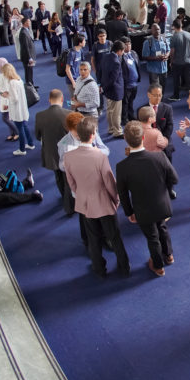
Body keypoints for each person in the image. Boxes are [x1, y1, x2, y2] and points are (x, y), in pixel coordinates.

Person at [64, 117, 129, 276]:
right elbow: (109, 182)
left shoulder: (68, 156)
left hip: (84, 203)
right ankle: (124, 268)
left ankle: (99, 268)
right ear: (93, 135)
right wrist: (116, 200)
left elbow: (71, 184)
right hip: (103, 203)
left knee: (93, 239)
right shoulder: (99, 156)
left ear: (78, 135)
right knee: (114, 237)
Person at [116, 121, 179, 277]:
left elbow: (122, 193)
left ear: (125, 138)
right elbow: (174, 179)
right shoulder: (159, 156)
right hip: (163, 206)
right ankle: (169, 255)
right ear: (143, 137)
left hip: (143, 210)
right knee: (162, 228)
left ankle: (158, 266)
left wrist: (129, 212)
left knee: (152, 237)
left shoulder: (122, 166)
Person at [34, 89, 75, 215]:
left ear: (49, 100)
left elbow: (37, 136)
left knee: (58, 177)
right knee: (69, 179)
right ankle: (70, 207)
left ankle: (64, 197)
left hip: (51, 152)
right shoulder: (69, 114)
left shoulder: (39, 115)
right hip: (68, 152)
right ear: (62, 99)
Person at [1, 63, 35, 156]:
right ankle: (31, 144)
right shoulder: (19, 79)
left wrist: (6, 95)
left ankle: (22, 149)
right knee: (24, 126)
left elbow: (14, 98)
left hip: (17, 109)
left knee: (20, 129)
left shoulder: (12, 82)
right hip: (22, 107)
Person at [100, 41, 126, 138]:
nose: (123, 53)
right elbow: (113, 80)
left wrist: (102, 87)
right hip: (115, 90)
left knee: (109, 110)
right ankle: (118, 132)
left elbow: (100, 71)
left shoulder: (105, 57)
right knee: (116, 113)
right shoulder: (116, 62)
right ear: (119, 51)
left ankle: (110, 129)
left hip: (107, 90)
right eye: (123, 51)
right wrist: (104, 88)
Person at [168, 19, 190, 102]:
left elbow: (172, 51)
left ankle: (176, 96)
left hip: (177, 62)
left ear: (173, 26)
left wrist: (171, 61)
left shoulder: (174, 37)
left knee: (176, 80)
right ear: (181, 25)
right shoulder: (189, 34)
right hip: (188, 61)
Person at [0, 57, 21, 143]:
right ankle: (12, 133)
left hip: (6, 100)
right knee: (8, 117)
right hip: (4, 99)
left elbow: (6, 90)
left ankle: (17, 132)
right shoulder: (2, 74)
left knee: (5, 118)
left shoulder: (5, 76)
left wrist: (6, 101)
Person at [146, 84, 175, 163]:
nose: (158, 98)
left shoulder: (167, 108)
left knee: (167, 162)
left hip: (164, 138)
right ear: (148, 95)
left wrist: (162, 139)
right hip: (149, 141)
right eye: (155, 95)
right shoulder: (142, 110)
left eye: (160, 95)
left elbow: (170, 126)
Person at [141, 23, 170, 91]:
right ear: (152, 31)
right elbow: (144, 57)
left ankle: (161, 100)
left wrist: (166, 55)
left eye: (158, 29)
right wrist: (156, 58)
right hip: (153, 70)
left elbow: (168, 50)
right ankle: (154, 102)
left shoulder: (164, 40)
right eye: (155, 30)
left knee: (163, 87)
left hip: (164, 69)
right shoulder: (148, 42)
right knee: (155, 89)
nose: (157, 31)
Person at [120, 37, 140, 126]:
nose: (128, 46)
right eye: (126, 44)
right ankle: (124, 119)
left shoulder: (134, 53)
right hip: (126, 85)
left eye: (129, 44)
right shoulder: (120, 57)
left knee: (131, 100)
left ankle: (131, 116)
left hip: (134, 83)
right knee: (125, 103)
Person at [65, 34, 89, 100]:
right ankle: (71, 110)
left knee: (80, 98)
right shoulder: (72, 53)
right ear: (80, 43)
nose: (85, 42)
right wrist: (73, 82)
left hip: (79, 78)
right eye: (84, 41)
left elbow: (82, 64)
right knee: (73, 99)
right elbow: (67, 69)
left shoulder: (81, 50)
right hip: (72, 80)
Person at [19, 17, 36, 86]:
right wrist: (30, 58)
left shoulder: (26, 30)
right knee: (28, 72)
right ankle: (29, 87)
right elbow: (25, 47)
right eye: (28, 22)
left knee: (30, 72)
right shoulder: (23, 33)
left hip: (29, 55)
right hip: (27, 57)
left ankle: (31, 85)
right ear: (25, 23)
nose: (30, 23)